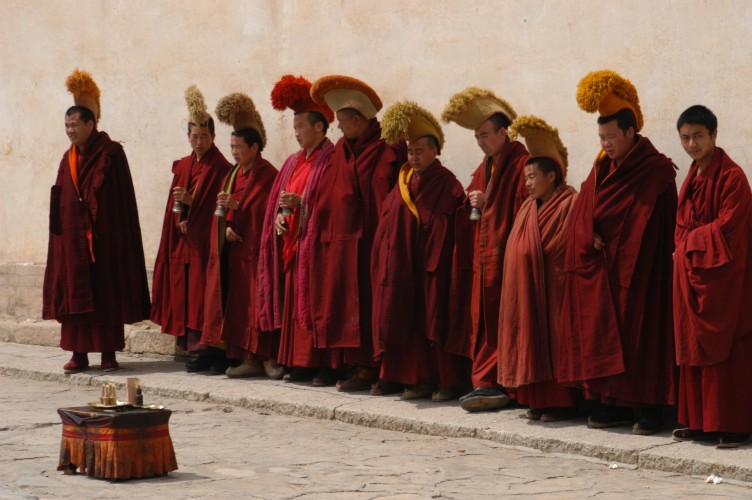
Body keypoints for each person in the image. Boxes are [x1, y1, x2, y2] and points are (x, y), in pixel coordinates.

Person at [557, 70, 677, 435]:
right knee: (606, 334)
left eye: (611, 137)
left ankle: (648, 408)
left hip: (643, 271)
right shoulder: (600, 168)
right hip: (604, 269)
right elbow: (582, 207)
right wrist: (585, 231)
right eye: (601, 137)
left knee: (642, 335)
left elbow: (659, 221)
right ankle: (612, 404)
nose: (606, 144)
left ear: (630, 132)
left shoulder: (655, 170)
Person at [43, 69, 150, 373]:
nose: (70, 131)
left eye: (75, 125)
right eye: (66, 125)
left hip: (104, 242)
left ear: (91, 124)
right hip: (73, 241)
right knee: (74, 294)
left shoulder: (111, 153)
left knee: (106, 296)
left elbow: (121, 204)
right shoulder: (68, 158)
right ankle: (79, 354)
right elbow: (61, 199)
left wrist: (111, 236)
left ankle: (107, 353)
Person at [308, 75, 404, 392]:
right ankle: (360, 367)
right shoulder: (340, 151)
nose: (339, 129)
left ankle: (385, 369)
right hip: (344, 242)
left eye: (343, 122)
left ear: (360, 120)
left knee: (380, 302)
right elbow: (327, 192)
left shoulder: (388, 148)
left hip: (376, 240)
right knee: (348, 303)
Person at [441, 88, 529, 412]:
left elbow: (525, 203)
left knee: (502, 321)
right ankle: (484, 382)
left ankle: (502, 384)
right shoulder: (487, 165)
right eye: (477, 137)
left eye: (485, 135)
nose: (481, 142)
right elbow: (475, 199)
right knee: (483, 321)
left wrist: (487, 203)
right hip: (485, 257)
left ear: (503, 133)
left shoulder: (521, 162)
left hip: (507, 255)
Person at [371, 101, 466, 401]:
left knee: (433, 319)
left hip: (431, 264)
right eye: (410, 151)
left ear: (435, 151)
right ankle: (406, 378)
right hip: (402, 264)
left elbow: (450, 223)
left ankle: (442, 380)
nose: (414, 157)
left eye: (420, 151)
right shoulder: (403, 182)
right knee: (401, 317)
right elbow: (389, 220)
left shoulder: (447, 182)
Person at [672, 105, 752, 448]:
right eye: (686, 138)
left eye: (698, 136)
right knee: (693, 346)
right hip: (693, 273)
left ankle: (732, 423)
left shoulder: (733, 178)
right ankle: (699, 421)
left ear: (714, 135)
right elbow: (681, 223)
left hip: (723, 280)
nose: (692, 144)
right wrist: (685, 246)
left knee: (727, 349)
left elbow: (729, 228)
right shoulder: (691, 176)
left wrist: (687, 244)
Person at [256, 75, 338, 386]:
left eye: (301, 127)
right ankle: (299, 362)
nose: (297, 134)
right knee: (294, 303)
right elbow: (281, 200)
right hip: (293, 243)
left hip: (317, 247)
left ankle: (322, 364)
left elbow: (332, 200)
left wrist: (303, 203)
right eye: (294, 129)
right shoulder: (292, 162)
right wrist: (279, 217)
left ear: (319, 126)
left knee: (317, 303)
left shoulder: (330, 160)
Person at [497, 116, 580, 421]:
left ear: (553, 176)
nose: (528, 183)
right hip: (527, 288)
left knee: (555, 340)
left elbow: (575, 239)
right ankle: (537, 399)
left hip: (555, 289)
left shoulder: (570, 203)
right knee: (529, 338)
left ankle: (561, 402)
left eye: (533, 177)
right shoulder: (526, 208)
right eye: (526, 178)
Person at [151, 85, 232, 373]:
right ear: (188, 136)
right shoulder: (183, 165)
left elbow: (216, 203)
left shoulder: (221, 167)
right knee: (184, 289)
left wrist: (192, 203)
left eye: (205, 137)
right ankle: (187, 345)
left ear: (213, 137)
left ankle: (203, 348)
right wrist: (180, 217)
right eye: (194, 136)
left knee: (201, 293)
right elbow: (173, 203)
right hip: (183, 238)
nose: (199, 142)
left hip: (203, 242)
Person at [200, 93, 281, 379]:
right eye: (231, 146)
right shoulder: (233, 175)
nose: (234, 152)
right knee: (242, 307)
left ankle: (269, 358)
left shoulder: (268, 174)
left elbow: (268, 210)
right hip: (237, 253)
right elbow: (223, 212)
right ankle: (249, 358)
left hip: (259, 253)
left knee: (262, 304)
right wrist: (228, 227)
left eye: (239, 147)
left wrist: (240, 207)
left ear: (255, 147)